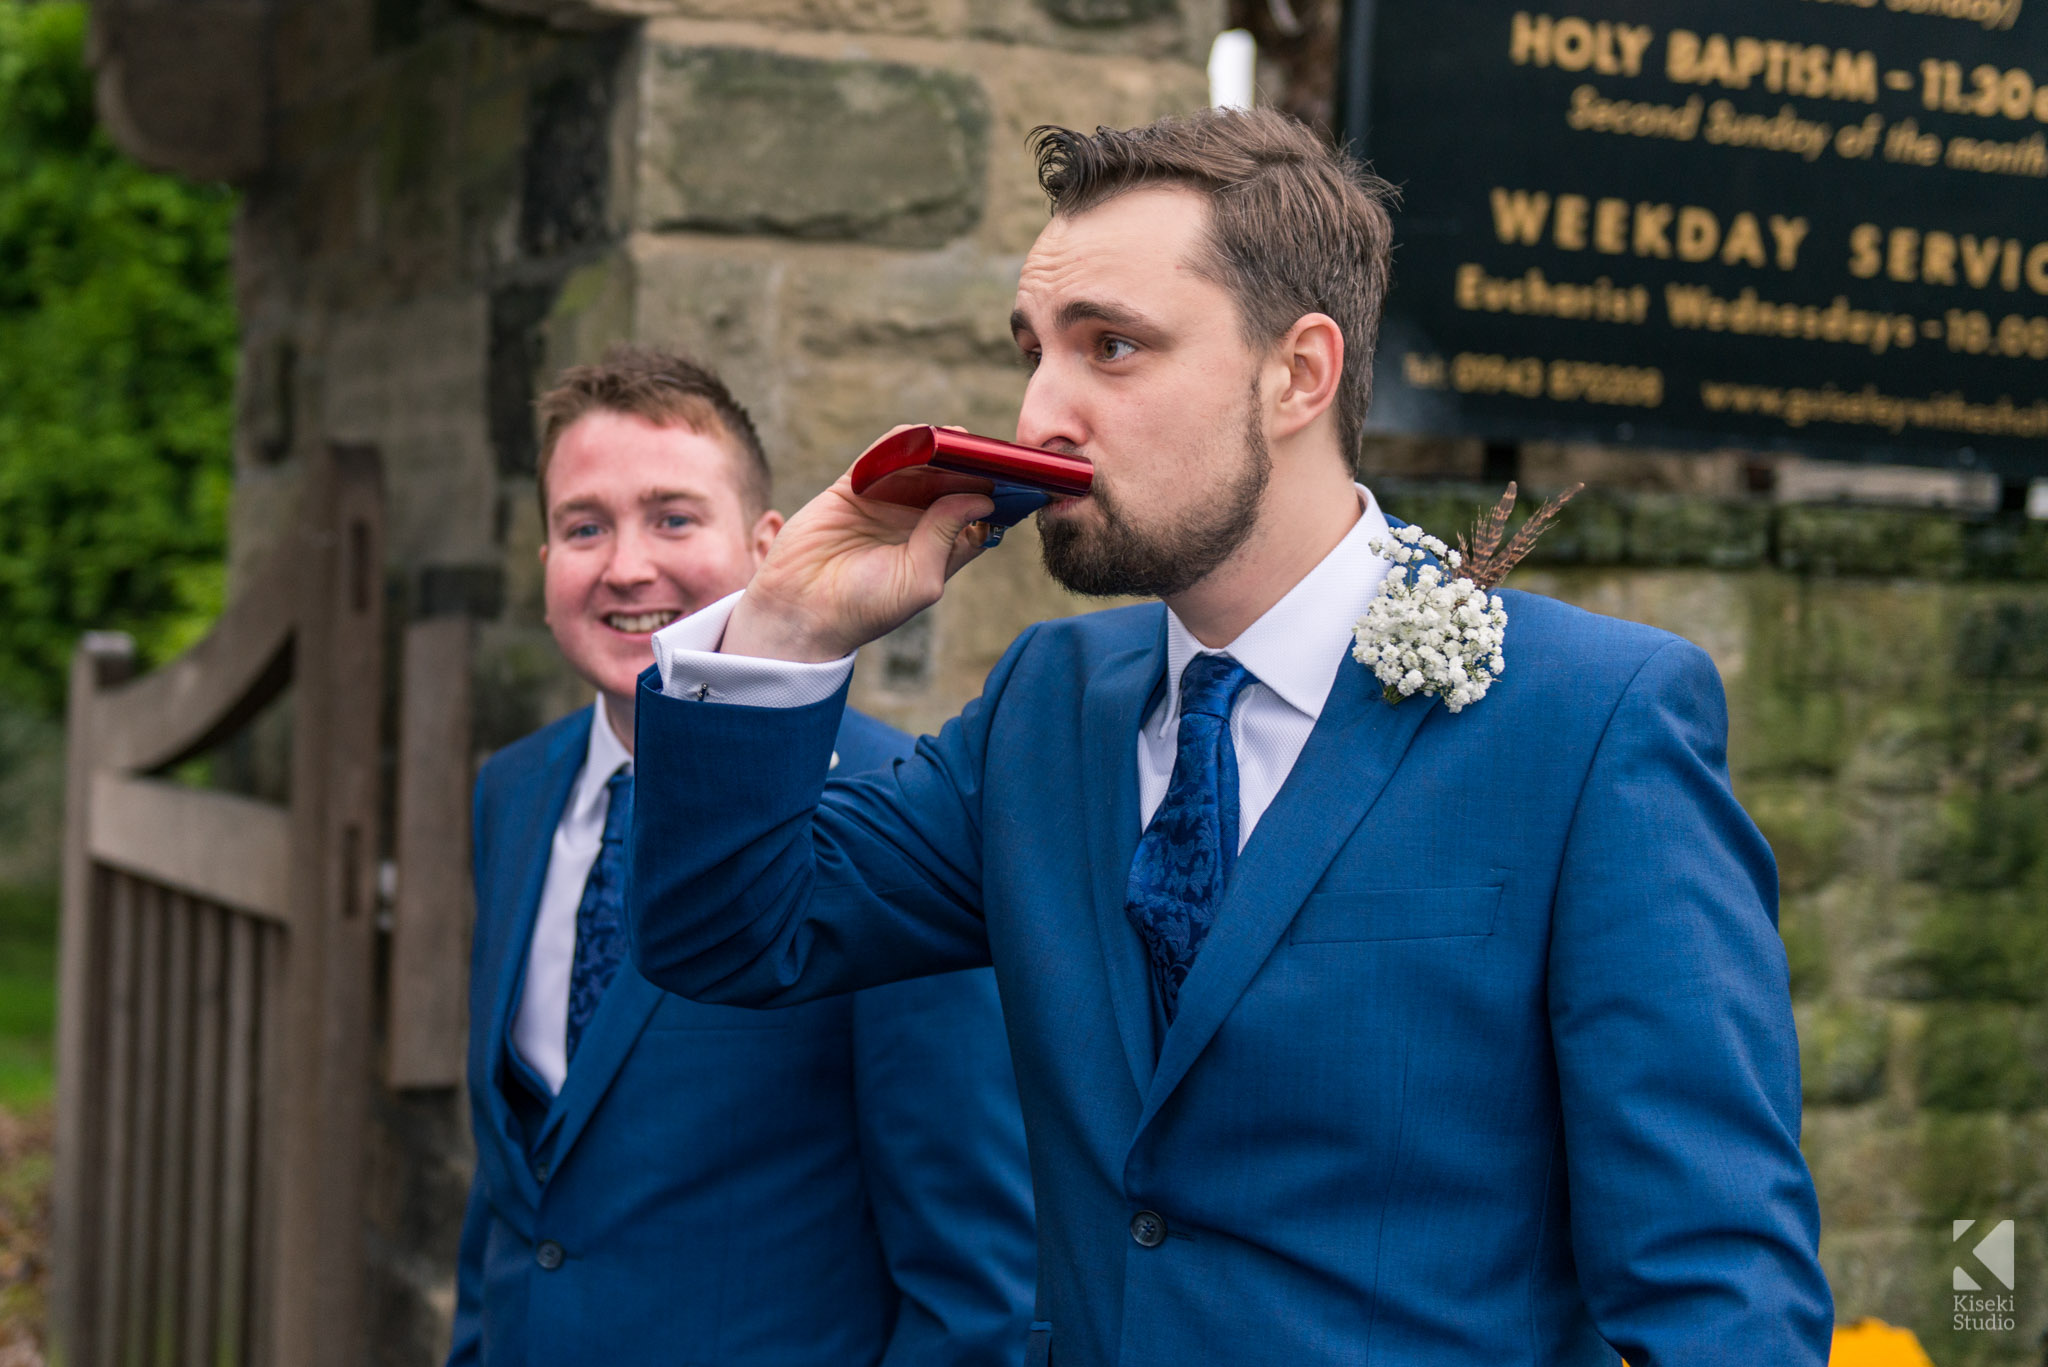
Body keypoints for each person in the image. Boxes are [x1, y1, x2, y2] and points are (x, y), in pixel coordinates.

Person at [626, 111, 1833, 1366]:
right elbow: (729, 930)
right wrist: (782, 627)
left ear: (1298, 373)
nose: (1039, 413)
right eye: (1032, 352)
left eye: (1111, 347)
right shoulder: (1048, 706)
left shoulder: (1592, 720)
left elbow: (1714, 1289)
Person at [447, 347, 1035, 1367]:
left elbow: (972, 1278)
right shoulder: (514, 789)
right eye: (583, 526)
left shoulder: (898, 810)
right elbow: (518, 1181)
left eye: (673, 517)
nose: (627, 565)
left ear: (768, 545)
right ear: (543, 561)